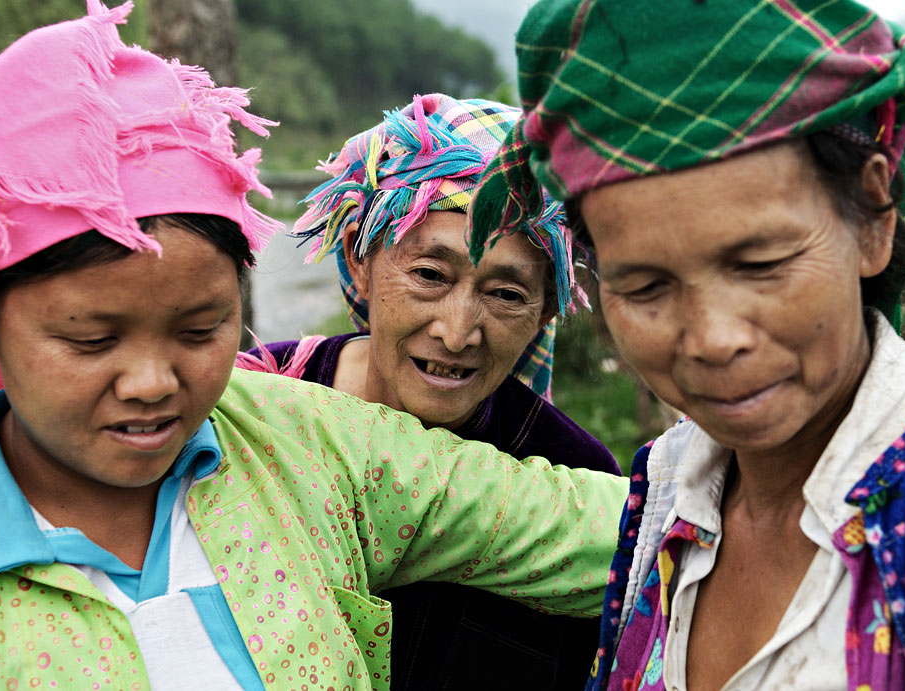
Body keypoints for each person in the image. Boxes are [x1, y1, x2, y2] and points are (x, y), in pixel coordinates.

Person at [0, 3, 628, 689]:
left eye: (199, 329)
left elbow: (613, 532)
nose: (153, 382)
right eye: (92, 339)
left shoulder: (301, 445)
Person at [467, 1, 905, 689]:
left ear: (872, 216)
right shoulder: (664, 486)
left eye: (761, 264)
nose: (714, 341)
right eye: (647, 286)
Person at [238, 93, 620, 690]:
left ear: (546, 310)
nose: (457, 332)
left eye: (505, 294)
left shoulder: (573, 473)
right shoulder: (260, 402)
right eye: (429, 275)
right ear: (360, 264)